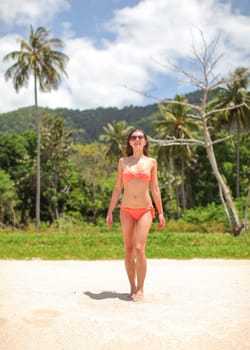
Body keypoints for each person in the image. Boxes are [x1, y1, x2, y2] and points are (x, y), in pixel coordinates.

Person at [106, 128, 165, 302]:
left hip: (145, 210)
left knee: (139, 248)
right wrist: (110, 211)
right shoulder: (123, 162)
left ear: (145, 141)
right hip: (126, 210)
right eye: (134, 137)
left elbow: (155, 188)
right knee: (128, 249)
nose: (137, 139)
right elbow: (118, 187)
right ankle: (132, 287)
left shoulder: (151, 162)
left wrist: (160, 212)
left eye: (140, 137)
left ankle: (141, 289)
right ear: (130, 142)